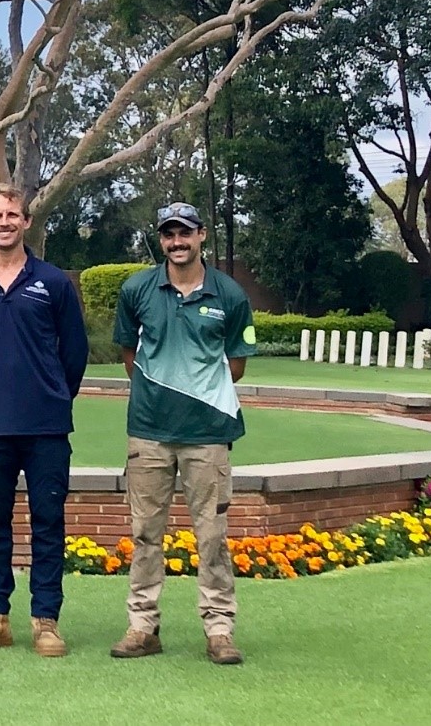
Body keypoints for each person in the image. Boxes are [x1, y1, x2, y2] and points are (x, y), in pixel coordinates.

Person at [110, 202, 256, 666]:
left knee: (212, 535)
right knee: (145, 533)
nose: (177, 242)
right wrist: (160, 394)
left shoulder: (230, 295)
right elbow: (128, 355)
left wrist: (193, 394)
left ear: (202, 236)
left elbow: (235, 365)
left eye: (185, 233)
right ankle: (142, 627)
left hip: (208, 433)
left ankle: (219, 630)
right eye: (168, 234)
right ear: (160, 239)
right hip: (149, 431)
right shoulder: (137, 289)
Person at [0, 184, 89, 657]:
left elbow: (74, 353)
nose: (5, 222)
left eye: (13, 214)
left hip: (47, 426)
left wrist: (49, 396)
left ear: (27, 222)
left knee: (48, 522)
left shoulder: (54, 282)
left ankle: (46, 621)